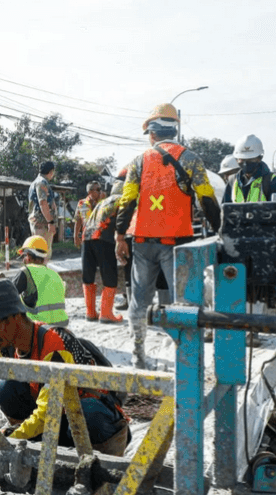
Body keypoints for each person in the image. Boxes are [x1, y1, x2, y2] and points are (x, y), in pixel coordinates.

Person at [0, 279, 131, 455]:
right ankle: (37, 444)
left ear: (15, 317)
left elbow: (48, 411)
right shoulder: (4, 349)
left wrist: (11, 439)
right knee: (3, 387)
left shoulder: (54, 343)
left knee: (86, 413)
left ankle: (95, 466)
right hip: (55, 422)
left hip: (96, 421)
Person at [115, 103, 221, 369]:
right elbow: (206, 197)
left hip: (143, 243)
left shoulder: (138, 162)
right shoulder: (191, 158)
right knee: (182, 303)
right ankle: (184, 361)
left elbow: (126, 202)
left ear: (152, 134)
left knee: (139, 302)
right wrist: (218, 229)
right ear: (175, 129)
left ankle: (138, 357)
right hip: (178, 243)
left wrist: (119, 236)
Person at [223, 134, 276, 282]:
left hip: (265, 240)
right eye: (242, 160)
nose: (245, 163)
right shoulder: (232, 182)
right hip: (237, 240)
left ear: (259, 158)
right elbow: (224, 210)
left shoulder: (273, 181)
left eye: (250, 160)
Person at [81, 180, 125, 324]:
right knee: (109, 274)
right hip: (103, 238)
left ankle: (91, 313)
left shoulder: (102, 202)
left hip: (86, 238)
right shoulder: (121, 200)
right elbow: (123, 221)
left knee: (88, 276)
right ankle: (106, 314)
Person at [11, 235, 68, 326]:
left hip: (38, 327)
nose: (23, 260)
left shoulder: (27, 271)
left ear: (28, 256)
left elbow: (9, 295)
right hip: (61, 324)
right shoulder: (55, 275)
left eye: (23, 257)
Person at [28, 160, 60, 252]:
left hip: (36, 222)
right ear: (51, 171)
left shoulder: (34, 183)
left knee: (37, 252)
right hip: (42, 224)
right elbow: (43, 203)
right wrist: (50, 222)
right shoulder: (42, 183)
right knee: (43, 253)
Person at [74, 181, 102, 248]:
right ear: (90, 192)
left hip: (101, 238)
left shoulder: (104, 202)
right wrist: (75, 236)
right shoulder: (81, 203)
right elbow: (77, 220)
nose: (100, 192)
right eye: (98, 190)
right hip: (86, 237)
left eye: (100, 189)